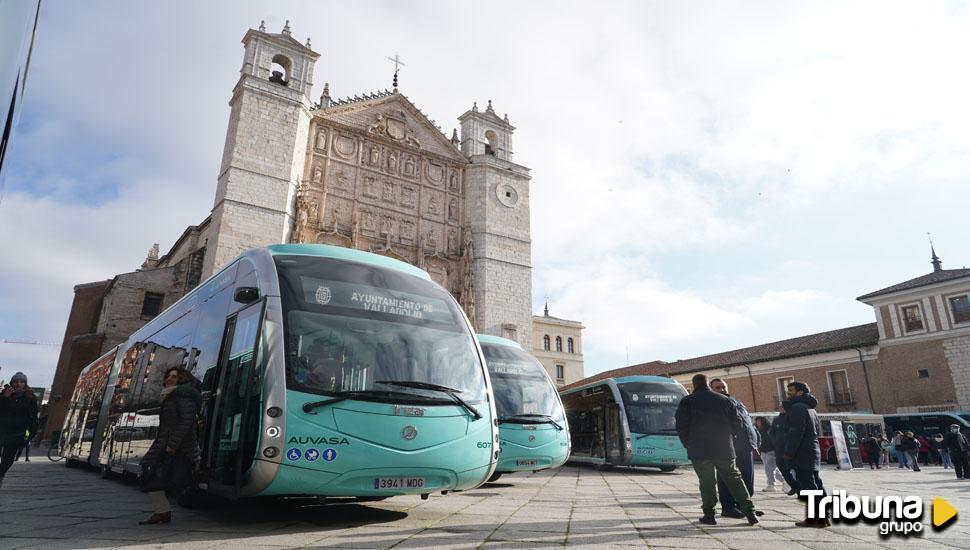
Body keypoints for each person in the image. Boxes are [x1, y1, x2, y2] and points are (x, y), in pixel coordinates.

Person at [675, 373, 760, 526]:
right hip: (723, 447)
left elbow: (681, 426)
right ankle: (750, 512)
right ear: (708, 384)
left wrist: (687, 443)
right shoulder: (725, 400)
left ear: (694, 385)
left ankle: (709, 515)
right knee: (735, 478)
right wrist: (728, 437)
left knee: (706, 482)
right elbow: (738, 424)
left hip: (699, 449)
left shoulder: (687, 401)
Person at [139, 367, 202, 525]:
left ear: (182, 379)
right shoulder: (171, 395)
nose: (169, 379)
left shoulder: (181, 396)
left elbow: (186, 422)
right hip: (166, 443)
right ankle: (162, 511)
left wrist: (172, 445)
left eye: (174, 377)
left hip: (176, 446)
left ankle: (163, 512)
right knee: (152, 473)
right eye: (168, 376)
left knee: (151, 472)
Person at [709, 378, 760, 518]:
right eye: (717, 388)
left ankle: (745, 506)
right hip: (727, 448)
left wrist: (756, 438)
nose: (722, 390)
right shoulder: (713, 405)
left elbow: (748, 422)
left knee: (748, 477)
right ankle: (728, 507)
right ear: (711, 390)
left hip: (747, 445)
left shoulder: (737, 402)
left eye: (723, 387)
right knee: (726, 478)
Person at [782, 381, 828, 528]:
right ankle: (822, 517)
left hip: (802, 452)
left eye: (791, 390)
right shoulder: (809, 408)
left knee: (809, 487)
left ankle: (815, 519)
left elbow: (796, 432)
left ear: (800, 392)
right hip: (812, 450)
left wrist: (789, 452)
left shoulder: (797, 407)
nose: (788, 393)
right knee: (816, 484)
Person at [0, 372, 39, 488]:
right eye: (16, 381)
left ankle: (1, 474)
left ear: (25, 384)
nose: (18, 384)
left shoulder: (30, 398)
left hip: (17, 433)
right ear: (12, 383)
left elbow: (32, 416)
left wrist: (32, 432)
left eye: (21, 382)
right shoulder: (4, 395)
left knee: (8, 459)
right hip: (1, 430)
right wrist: (5, 398)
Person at [769, 403, 799, 495]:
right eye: (779, 407)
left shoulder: (791, 419)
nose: (780, 408)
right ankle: (794, 485)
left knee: (795, 469)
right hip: (779, 449)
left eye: (782, 407)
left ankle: (800, 487)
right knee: (782, 467)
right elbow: (771, 433)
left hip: (790, 449)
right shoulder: (776, 420)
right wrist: (775, 442)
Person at [755, 417, 784, 491]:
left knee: (769, 468)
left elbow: (775, 439)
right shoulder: (757, 430)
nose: (758, 423)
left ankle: (771, 485)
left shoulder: (769, 429)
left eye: (759, 421)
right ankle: (785, 481)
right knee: (772, 469)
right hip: (763, 451)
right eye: (757, 421)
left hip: (771, 451)